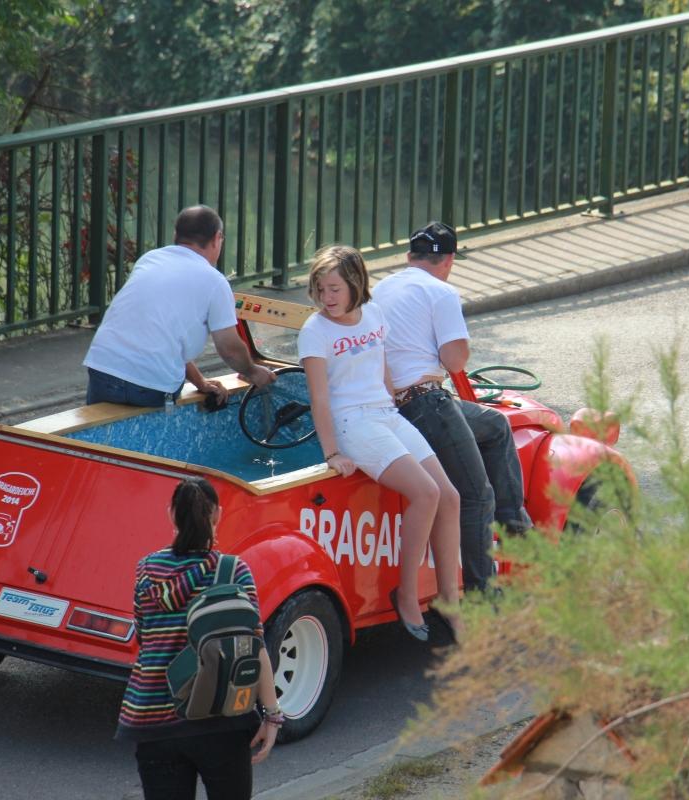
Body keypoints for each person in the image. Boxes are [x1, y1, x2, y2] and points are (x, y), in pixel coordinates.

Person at [298, 244, 462, 643]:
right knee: (425, 493)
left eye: (334, 288)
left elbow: (382, 367)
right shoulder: (315, 331)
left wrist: (393, 406)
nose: (326, 297)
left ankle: (449, 599)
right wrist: (332, 452)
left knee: (449, 496)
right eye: (321, 289)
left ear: (356, 284)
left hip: (385, 414)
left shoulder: (373, 314)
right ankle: (406, 594)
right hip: (352, 422)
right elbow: (319, 399)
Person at [373, 221, 532, 593]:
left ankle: (514, 525)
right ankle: (483, 592)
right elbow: (455, 361)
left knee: (494, 425)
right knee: (477, 495)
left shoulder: (381, 287)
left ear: (409, 256)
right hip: (425, 403)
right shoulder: (441, 291)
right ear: (449, 260)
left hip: (388, 404)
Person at [116, 476, 280, 800]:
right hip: (221, 717)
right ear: (217, 514)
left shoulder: (147, 570)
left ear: (171, 514)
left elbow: (145, 636)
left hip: (154, 719)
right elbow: (254, 645)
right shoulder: (233, 571)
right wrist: (272, 715)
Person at [84, 205, 274, 408]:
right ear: (217, 238)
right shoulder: (214, 281)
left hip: (102, 369)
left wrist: (199, 381)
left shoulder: (150, 259)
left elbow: (159, 336)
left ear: (176, 235)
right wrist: (252, 371)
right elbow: (229, 349)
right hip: (150, 386)